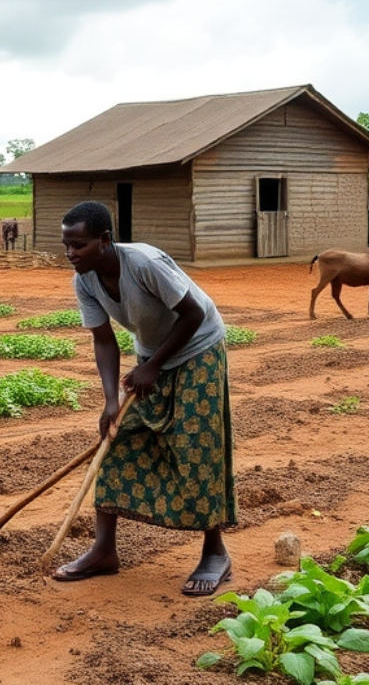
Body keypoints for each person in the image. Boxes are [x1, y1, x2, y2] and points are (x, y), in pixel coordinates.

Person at [51, 201, 236, 596]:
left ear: (104, 240)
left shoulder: (144, 263)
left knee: (196, 448)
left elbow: (193, 314)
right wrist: (110, 401)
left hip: (199, 348)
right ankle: (104, 551)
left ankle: (215, 553)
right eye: (66, 246)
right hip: (152, 353)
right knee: (118, 440)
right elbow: (104, 340)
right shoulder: (84, 280)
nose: (71, 255)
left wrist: (153, 367)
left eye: (79, 246)